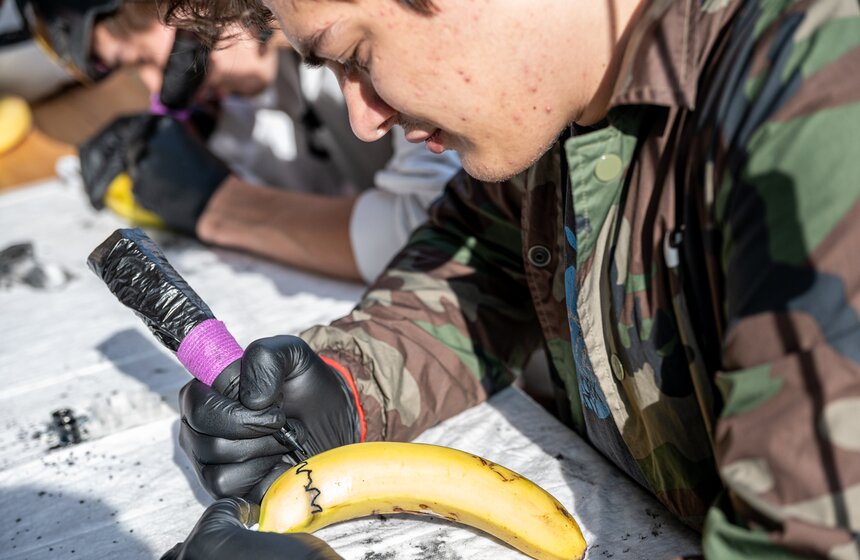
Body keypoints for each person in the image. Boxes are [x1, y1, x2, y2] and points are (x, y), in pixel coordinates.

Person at [148, 0, 858, 558]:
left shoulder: (821, 102)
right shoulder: (558, 103)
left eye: (356, 55)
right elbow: (482, 266)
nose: (364, 120)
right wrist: (342, 387)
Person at [27, 0, 462, 282]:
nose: (154, 86)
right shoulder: (248, 98)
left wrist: (216, 206)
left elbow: (431, 237)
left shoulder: (386, 38)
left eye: (143, 58)